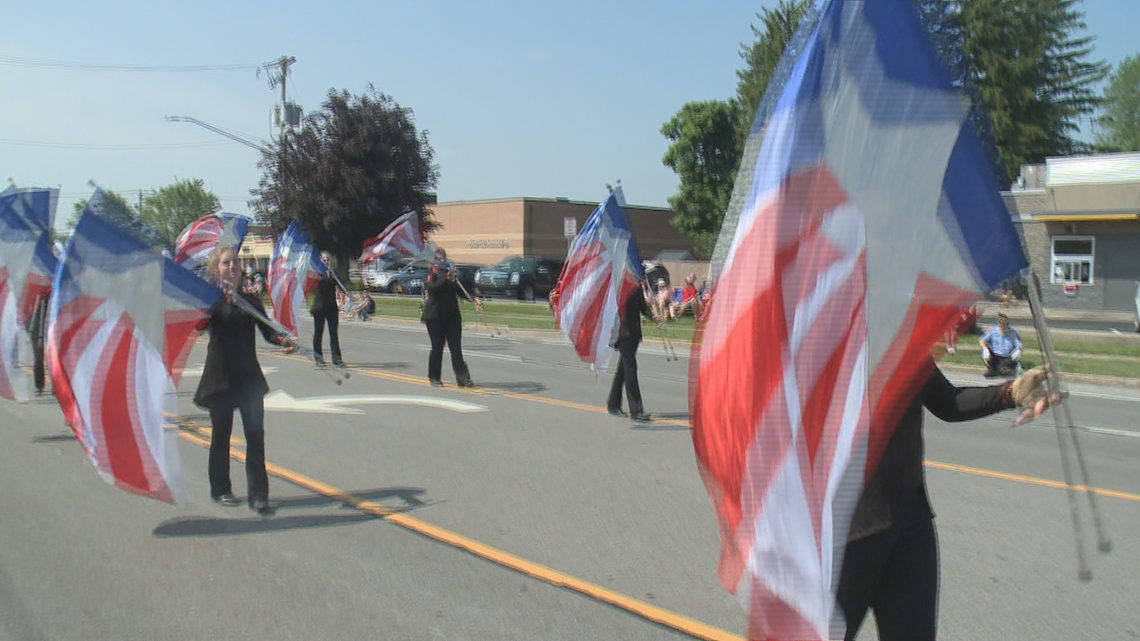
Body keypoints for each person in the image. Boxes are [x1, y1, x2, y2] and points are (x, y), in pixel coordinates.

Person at [836, 362, 1053, 641]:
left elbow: (948, 402)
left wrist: (1010, 393)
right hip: (844, 534)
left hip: (909, 526)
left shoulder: (906, 339)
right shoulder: (824, 337)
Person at [193, 247, 296, 516]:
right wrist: (212, 301)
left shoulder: (249, 298)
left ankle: (258, 495)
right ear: (216, 269)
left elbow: (267, 330)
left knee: (255, 436)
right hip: (221, 378)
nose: (232, 266)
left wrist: (282, 340)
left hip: (248, 377)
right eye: (226, 263)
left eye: (235, 262)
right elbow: (197, 326)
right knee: (221, 436)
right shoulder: (211, 300)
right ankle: (220, 488)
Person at [422, 248, 481, 387]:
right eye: (438, 259)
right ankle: (434, 377)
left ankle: (463, 378)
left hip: (452, 316)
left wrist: (474, 298)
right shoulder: (430, 275)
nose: (441, 262)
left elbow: (462, 290)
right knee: (437, 347)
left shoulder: (452, 275)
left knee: (456, 348)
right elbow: (433, 288)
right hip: (435, 317)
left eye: (443, 258)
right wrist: (444, 277)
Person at [607, 281, 657, 424]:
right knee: (630, 370)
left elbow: (642, 307)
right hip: (622, 334)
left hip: (634, 333)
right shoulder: (617, 286)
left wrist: (653, 316)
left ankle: (613, 404)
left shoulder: (636, 287)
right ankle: (636, 410)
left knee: (623, 370)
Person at [311, 251, 343, 367]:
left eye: (327, 260)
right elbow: (313, 286)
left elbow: (340, 285)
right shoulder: (316, 273)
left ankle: (337, 358)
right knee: (318, 333)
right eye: (323, 260)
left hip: (332, 307)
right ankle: (318, 358)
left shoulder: (333, 274)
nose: (326, 262)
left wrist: (333, 274)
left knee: (334, 333)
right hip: (319, 307)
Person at [979, 312, 1022, 377]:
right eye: (1002, 324)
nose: (1004, 327)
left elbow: (1020, 345)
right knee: (986, 350)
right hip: (995, 356)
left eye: (1005, 324)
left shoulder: (1012, 333)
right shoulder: (993, 331)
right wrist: (985, 350)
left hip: (1007, 357)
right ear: (999, 324)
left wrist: (1018, 351)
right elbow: (982, 341)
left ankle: (1003, 370)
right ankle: (993, 369)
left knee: (1004, 369)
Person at [28, 294, 48, 395]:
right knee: (40, 359)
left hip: (38, 331)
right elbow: (40, 317)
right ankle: (40, 385)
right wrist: (40, 336)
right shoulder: (43, 296)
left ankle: (40, 386)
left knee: (40, 359)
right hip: (38, 332)